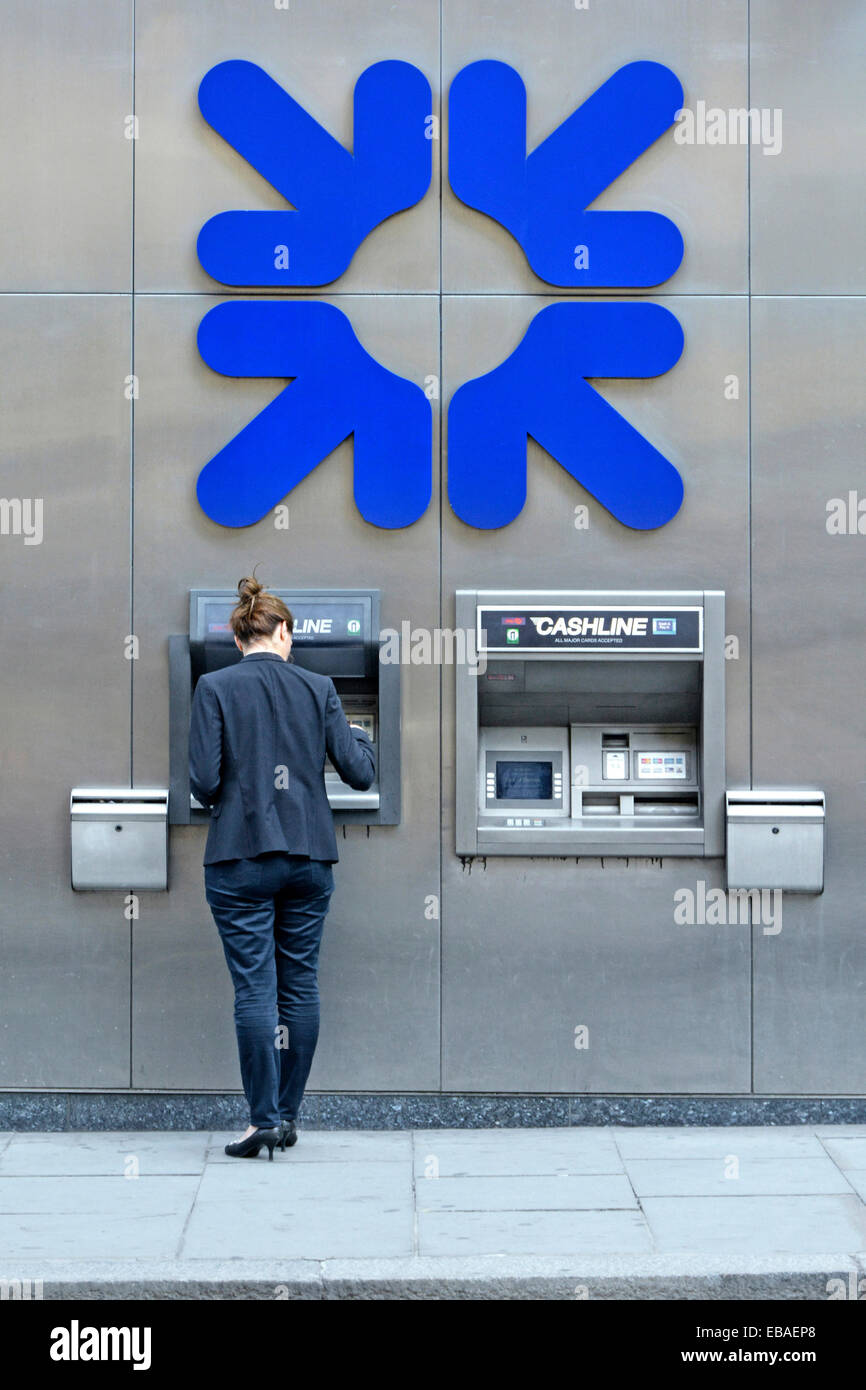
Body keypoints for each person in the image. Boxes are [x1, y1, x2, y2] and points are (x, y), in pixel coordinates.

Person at [189, 575, 376, 1161]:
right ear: (284, 632)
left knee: (255, 990)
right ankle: (289, 1115)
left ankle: (262, 1119)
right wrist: (358, 738)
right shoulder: (318, 687)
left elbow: (202, 781)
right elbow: (359, 773)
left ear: (239, 637)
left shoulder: (214, 686)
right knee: (300, 986)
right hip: (308, 858)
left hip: (239, 857)